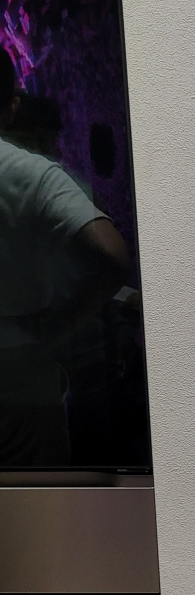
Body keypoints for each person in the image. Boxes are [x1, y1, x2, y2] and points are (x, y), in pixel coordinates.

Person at [0, 49, 130, 465]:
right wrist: (62, 325)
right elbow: (109, 254)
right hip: (24, 372)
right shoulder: (36, 177)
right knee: (42, 492)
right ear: (11, 109)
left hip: (41, 365)